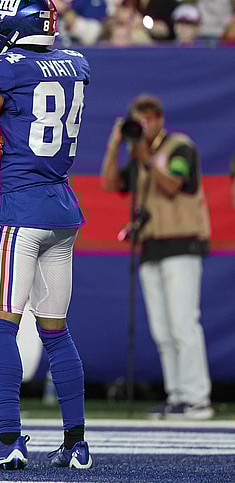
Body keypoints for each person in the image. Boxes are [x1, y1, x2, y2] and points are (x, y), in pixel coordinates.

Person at [0, 0, 92, 470]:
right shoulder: (75, 64)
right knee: (55, 331)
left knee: (0, 324)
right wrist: (7, 126)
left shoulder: (5, 67)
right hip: (62, 209)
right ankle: (76, 443)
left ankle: (8, 437)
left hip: (20, 210)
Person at [101, 94, 213, 420]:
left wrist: (148, 160)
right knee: (162, 329)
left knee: (182, 324)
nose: (144, 125)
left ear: (160, 119)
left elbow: (172, 185)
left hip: (181, 245)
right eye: (139, 119)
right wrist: (115, 145)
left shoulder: (180, 147)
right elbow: (110, 184)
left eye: (149, 118)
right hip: (150, 249)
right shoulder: (138, 156)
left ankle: (197, 398)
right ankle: (177, 395)